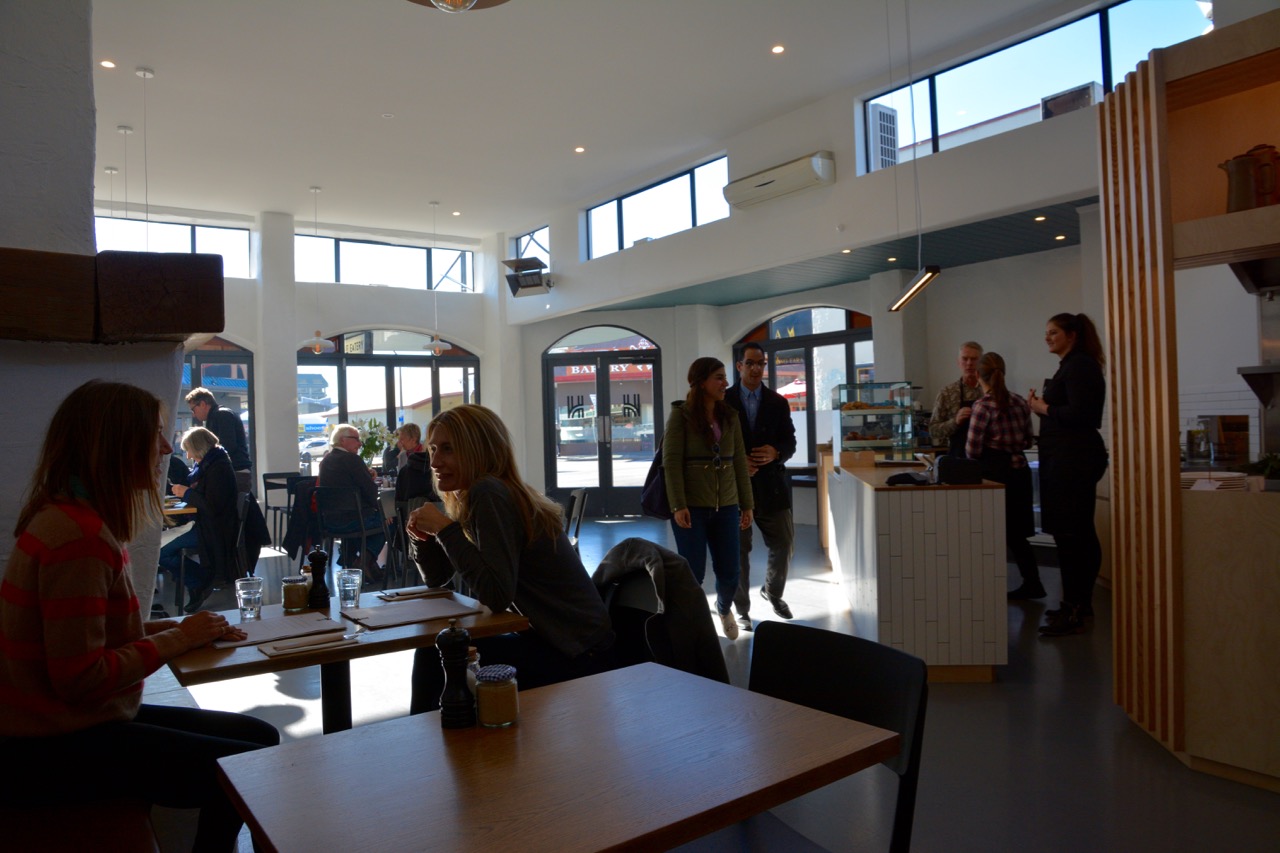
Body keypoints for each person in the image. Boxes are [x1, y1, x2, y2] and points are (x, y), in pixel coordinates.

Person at [0, 380, 278, 852]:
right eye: (155, 435)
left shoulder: (70, 518)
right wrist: (178, 638)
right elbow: (81, 679)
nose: (167, 448)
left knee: (259, 736)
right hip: (46, 746)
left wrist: (182, 630)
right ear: (116, 444)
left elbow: (92, 636)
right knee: (248, 761)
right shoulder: (78, 538)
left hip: (59, 726)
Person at [405, 405, 615, 714]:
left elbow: (496, 594)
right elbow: (437, 578)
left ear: (478, 450)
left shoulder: (488, 492)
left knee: (437, 652)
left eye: (448, 449)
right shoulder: (480, 493)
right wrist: (422, 538)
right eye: (433, 449)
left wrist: (445, 530)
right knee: (440, 648)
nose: (434, 462)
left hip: (578, 653)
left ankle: (428, 741)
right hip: (566, 642)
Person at [1028, 313, 1109, 636]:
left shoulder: (1080, 366)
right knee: (1070, 533)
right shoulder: (1072, 366)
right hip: (1065, 459)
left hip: (1074, 460)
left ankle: (1076, 606)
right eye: (1046, 332)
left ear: (1071, 335)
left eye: (1053, 332)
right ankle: (1075, 603)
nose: (1047, 337)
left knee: (1074, 534)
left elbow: (1082, 414)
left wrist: (1042, 408)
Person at [663, 357, 754, 641]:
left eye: (725, 377)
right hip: (691, 508)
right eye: (719, 377)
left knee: (730, 572)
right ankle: (692, 623)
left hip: (727, 506)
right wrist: (678, 505)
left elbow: (739, 462)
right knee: (693, 573)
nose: (725, 383)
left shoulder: (730, 416)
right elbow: (671, 462)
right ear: (701, 382)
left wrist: (747, 504)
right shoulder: (681, 416)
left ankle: (723, 608)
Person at [725, 343, 796, 632]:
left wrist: (776, 452)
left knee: (784, 542)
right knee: (738, 551)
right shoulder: (723, 401)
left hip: (771, 486)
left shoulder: (778, 402)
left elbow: (790, 442)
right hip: (735, 489)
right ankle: (742, 610)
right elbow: (711, 443)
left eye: (761, 363)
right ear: (739, 366)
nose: (756, 369)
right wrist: (736, 460)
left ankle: (773, 592)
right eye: (750, 363)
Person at [964, 353, 1042, 600]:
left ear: (978, 375)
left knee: (991, 532)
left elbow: (972, 450)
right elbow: (1028, 440)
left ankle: (989, 585)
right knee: (1017, 535)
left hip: (994, 474)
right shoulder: (1019, 402)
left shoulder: (982, 406)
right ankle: (1033, 582)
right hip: (1020, 472)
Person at [158, 427, 238, 613]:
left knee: (161, 551)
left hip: (213, 529)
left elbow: (211, 507)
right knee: (162, 548)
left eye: (189, 450)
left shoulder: (218, 469)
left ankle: (200, 581)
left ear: (198, 448)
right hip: (206, 525)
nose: (188, 456)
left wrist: (187, 493)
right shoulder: (213, 464)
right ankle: (199, 581)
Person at [318, 423, 386, 579]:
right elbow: (370, 491)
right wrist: (384, 511)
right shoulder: (352, 459)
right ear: (342, 440)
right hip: (354, 520)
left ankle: (353, 561)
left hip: (330, 521)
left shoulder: (326, 461)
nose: (360, 443)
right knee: (390, 521)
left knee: (373, 519)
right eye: (356, 439)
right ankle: (363, 562)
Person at [185, 386, 252, 493]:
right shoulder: (216, 416)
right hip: (231, 471)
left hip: (235, 472)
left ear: (203, 404)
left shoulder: (222, 414)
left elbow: (228, 446)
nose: (193, 414)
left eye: (193, 409)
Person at [930, 341, 984, 455]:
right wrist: (955, 422)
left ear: (981, 362)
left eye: (974, 359)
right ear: (958, 362)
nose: (969, 363)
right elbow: (933, 431)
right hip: (958, 458)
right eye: (965, 359)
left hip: (986, 458)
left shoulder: (989, 391)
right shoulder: (947, 393)